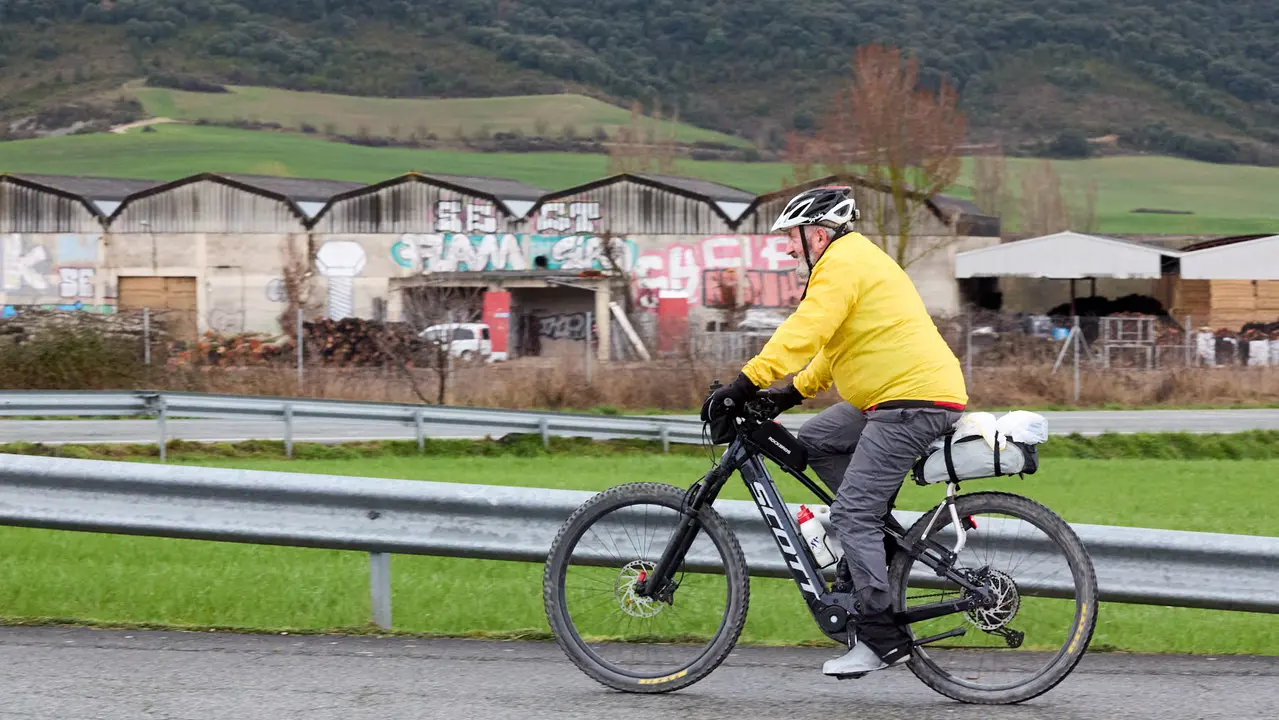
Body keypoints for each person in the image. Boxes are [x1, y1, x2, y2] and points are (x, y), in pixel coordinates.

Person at [702, 185, 967, 676]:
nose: (785, 248)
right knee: (812, 443)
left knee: (851, 514)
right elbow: (835, 347)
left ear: (817, 236)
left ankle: (880, 637)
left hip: (910, 402)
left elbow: (807, 329)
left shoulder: (842, 264)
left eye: (790, 237)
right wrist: (787, 393)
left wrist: (745, 383)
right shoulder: (852, 261)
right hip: (890, 397)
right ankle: (884, 547)